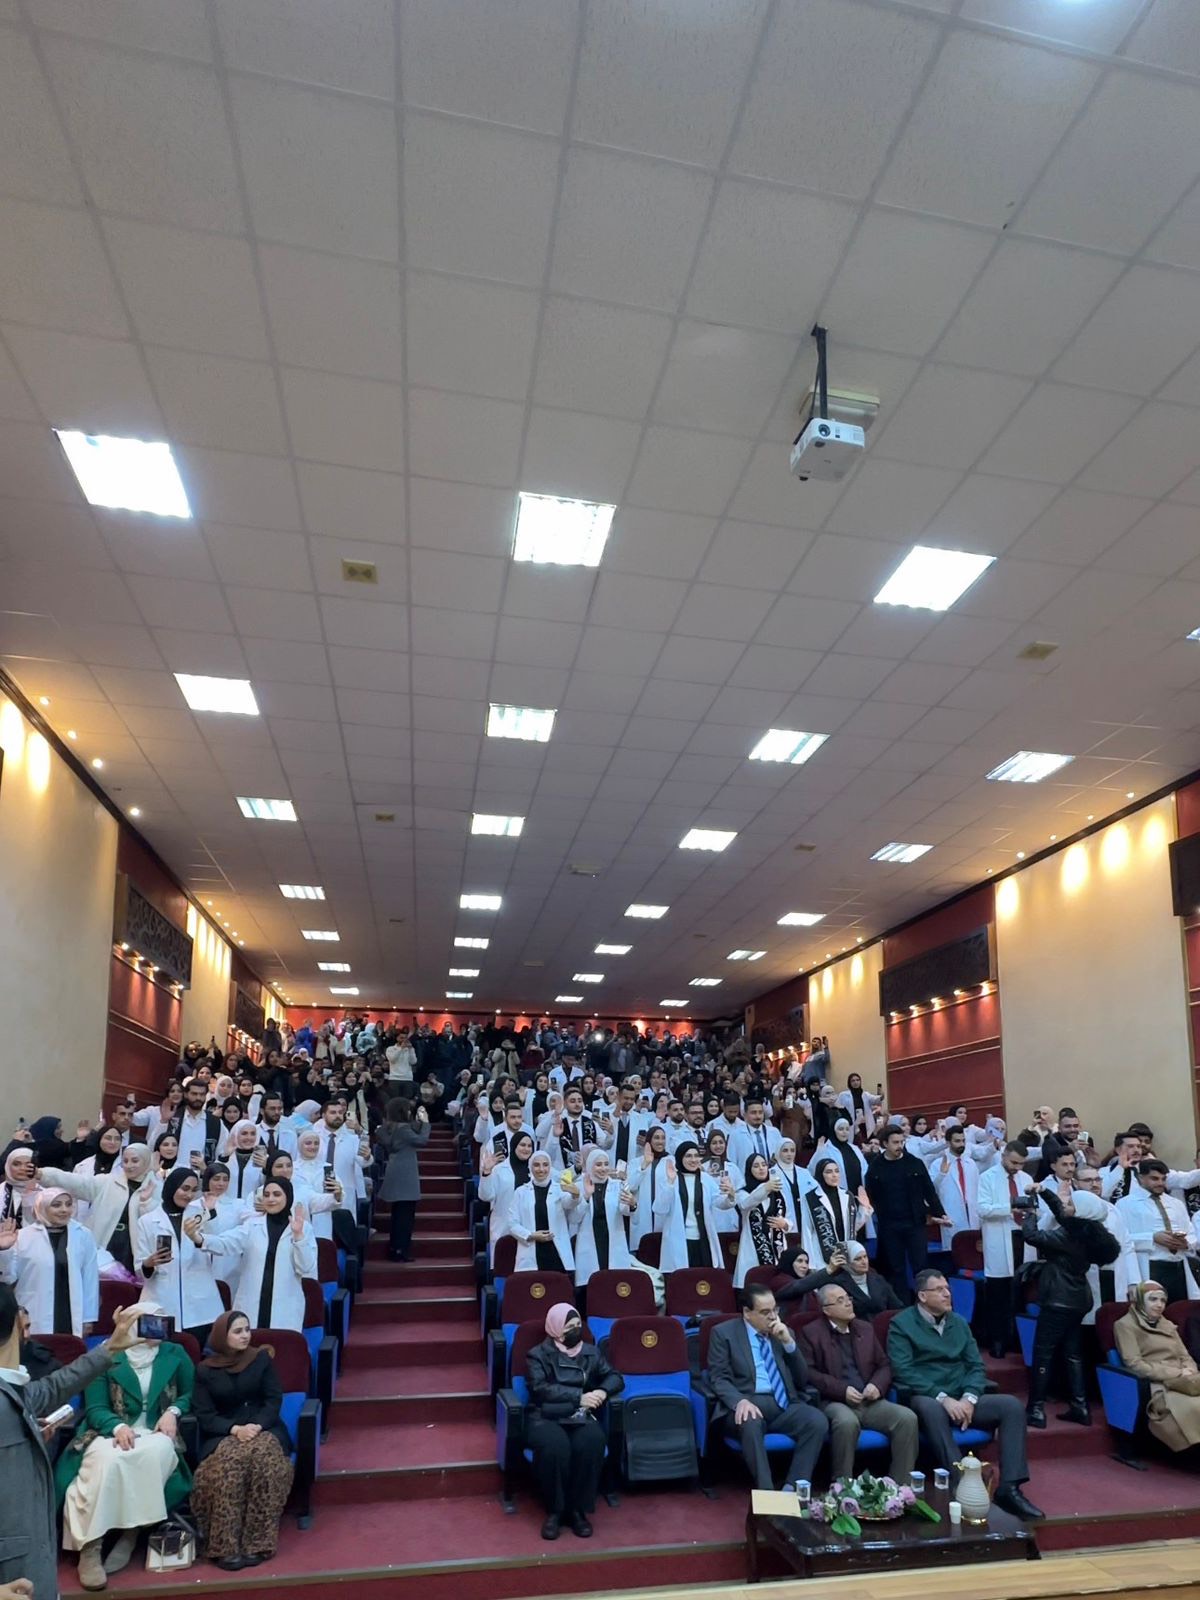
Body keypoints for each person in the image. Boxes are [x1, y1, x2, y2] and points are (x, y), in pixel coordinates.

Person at [0, 1291, 145, 1600]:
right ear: (16, 1325)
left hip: (31, 1569)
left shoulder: (10, 1388)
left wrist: (110, 1348)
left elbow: (52, 1388)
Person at [56, 1299, 194, 1589]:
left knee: (154, 1452)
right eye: (149, 1321)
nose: (158, 1327)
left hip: (155, 1431)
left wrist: (173, 1411)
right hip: (110, 1430)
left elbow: (189, 1394)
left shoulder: (175, 1353)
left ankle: (131, 1534)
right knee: (108, 1461)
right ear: (131, 1325)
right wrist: (117, 1426)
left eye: (162, 1320)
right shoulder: (106, 1354)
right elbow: (95, 1408)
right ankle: (91, 1547)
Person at [887, 1270, 1042, 1520]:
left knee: (1011, 1406)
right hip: (926, 1396)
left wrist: (969, 1398)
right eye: (939, 1290)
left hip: (961, 1396)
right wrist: (943, 1398)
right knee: (930, 1408)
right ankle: (962, 1481)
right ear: (922, 1296)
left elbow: (976, 1366)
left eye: (947, 1288)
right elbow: (903, 1370)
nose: (947, 1294)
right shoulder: (901, 1324)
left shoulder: (958, 1322)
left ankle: (1010, 1488)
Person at [190, 1310, 294, 1570]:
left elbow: (273, 1400)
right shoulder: (205, 1370)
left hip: (264, 1428)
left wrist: (256, 1425)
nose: (245, 1335)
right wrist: (235, 1429)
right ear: (221, 1336)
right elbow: (205, 1415)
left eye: (247, 1329)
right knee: (229, 1466)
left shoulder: (260, 1359)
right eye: (238, 1331)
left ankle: (257, 1543)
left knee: (264, 1462)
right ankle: (224, 1546)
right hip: (224, 1433)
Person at [707, 1281, 828, 1492]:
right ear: (747, 1313)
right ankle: (767, 1493)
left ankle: (793, 1487)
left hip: (784, 1404)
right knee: (750, 1421)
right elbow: (719, 1378)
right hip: (749, 1402)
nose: (773, 1317)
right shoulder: (723, 1333)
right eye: (765, 1312)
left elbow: (802, 1379)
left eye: (775, 1310)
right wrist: (739, 1401)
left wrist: (789, 1344)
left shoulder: (784, 1333)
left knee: (816, 1420)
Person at [798, 1283, 918, 1481]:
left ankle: (901, 1485)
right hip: (834, 1401)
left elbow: (885, 1365)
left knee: (906, 1418)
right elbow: (808, 1373)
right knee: (847, 1422)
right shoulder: (811, 1333)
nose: (848, 1303)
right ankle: (842, 1485)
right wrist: (842, 1390)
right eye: (840, 1301)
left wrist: (876, 1385)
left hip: (869, 1400)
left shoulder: (865, 1328)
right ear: (826, 1310)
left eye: (848, 1298)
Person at [1020, 1187, 1117, 1428]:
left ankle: (1036, 1409)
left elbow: (1032, 1236)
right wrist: (1044, 1192)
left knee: (1043, 1353)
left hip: (1058, 1299)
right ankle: (1080, 1406)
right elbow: (1061, 1213)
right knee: (1073, 1354)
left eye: (1071, 1204)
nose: (1066, 1206)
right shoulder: (1090, 1232)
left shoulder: (1068, 1236)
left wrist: (1029, 1213)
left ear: (1081, 1211)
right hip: (1078, 1300)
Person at [525, 1303, 623, 1541]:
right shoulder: (537, 1355)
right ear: (555, 1328)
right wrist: (578, 1396)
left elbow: (615, 1377)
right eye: (570, 1326)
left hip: (580, 1415)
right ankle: (555, 1511)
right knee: (556, 1447)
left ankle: (577, 1510)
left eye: (579, 1325)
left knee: (592, 1441)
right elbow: (539, 1389)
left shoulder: (591, 1352)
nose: (576, 1330)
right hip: (546, 1415)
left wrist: (601, 1391)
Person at [205, 1180, 317, 1333]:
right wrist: (199, 1238)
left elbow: (305, 1267)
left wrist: (298, 1237)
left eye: (277, 1194)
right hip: (250, 1304)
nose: (271, 1199)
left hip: (285, 1308)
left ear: (288, 1197)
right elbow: (225, 1243)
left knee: (281, 1345)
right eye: (266, 1195)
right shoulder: (252, 1225)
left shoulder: (304, 1228)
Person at [136, 1169, 226, 1344]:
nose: (189, 1195)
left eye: (193, 1190)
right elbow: (140, 1267)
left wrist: (211, 1213)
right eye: (184, 1188)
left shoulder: (199, 1214)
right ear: (172, 1186)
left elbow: (218, 1246)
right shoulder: (147, 1221)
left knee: (196, 1352)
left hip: (199, 1305)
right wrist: (149, 1263)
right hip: (160, 1300)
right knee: (159, 1354)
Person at [41, 1144, 159, 1276]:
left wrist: (146, 1202)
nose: (129, 1165)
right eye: (125, 1161)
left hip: (133, 1249)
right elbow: (76, 1182)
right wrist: (42, 1175)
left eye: (135, 1161)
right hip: (105, 1244)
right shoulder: (108, 1182)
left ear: (146, 1160)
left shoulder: (157, 1187)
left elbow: (157, 1224)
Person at [0, 1189, 99, 1338]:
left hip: (70, 1312)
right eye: (56, 1205)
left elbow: (90, 1279)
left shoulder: (83, 1235)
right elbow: (8, 1278)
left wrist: (88, 1317)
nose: (64, 1210)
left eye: (68, 1204)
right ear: (42, 1207)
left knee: (70, 1348)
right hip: (34, 1310)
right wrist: (4, 1250)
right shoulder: (23, 1236)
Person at [865, 1125, 949, 1300]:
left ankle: (924, 1301)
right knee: (895, 1268)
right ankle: (901, 1305)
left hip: (915, 1223)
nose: (899, 1146)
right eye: (895, 1142)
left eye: (901, 1142)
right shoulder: (875, 1168)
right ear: (885, 1144)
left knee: (921, 1265)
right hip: (890, 1225)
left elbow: (929, 1191)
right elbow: (871, 1195)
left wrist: (940, 1213)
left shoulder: (914, 1163)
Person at [1114, 1282, 1200, 1452]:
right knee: (1193, 1407)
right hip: (1155, 1383)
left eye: (1163, 1300)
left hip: (1185, 1381)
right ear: (1140, 1300)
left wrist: (1190, 1370)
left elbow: (1185, 1356)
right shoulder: (1124, 1325)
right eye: (1153, 1299)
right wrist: (1177, 1373)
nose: (1159, 1305)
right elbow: (1134, 1364)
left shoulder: (1167, 1324)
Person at [977, 1141, 1034, 1358]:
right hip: (1000, 1237)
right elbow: (983, 1209)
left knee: (1020, 1294)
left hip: (1021, 1238)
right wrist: (1010, 1208)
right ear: (1003, 1156)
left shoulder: (1026, 1179)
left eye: (1021, 1164)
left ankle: (1018, 1341)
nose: (1017, 1167)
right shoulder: (987, 1177)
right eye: (1014, 1162)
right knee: (998, 1295)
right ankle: (998, 1340)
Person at [1115, 1159, 1199, 1305]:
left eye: (1163, 1179)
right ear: (1141, 1178)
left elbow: (1191, 1233)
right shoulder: (1126, 1204)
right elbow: (1121, 1239)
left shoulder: (1175, 1203)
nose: (1160, 1183)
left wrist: (1186, 1243)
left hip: (1178, 1264)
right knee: (1152, 1309)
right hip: (1150, 1264)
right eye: (1154, 1178)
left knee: (1181, 1311)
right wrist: (1152, 1237)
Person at [563, 1150, 635, 1288]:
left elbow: (625, 1210)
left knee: (615, 1283)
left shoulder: (618, 1185)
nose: (603, 1168)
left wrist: (632, 1204)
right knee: (592, 1285)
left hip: (613, 1241)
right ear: (590, 1165)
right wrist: (585, 1197)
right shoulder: (579, 1185)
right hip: (589, 1242)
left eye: (606, 1164)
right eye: (598, 1164)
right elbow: (574, 1218)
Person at [656, 1141, 730, 1272]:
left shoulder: (706, 1179)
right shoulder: (671, 1179)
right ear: (680, 1158)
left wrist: (730, 1196)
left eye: (696, 1156)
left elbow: (719, 1202)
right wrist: (670, 1183)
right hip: (679, 1240)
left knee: (704, 1279)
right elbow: (659, 1209)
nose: (693, 1160)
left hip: (703, 1239)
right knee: (683, 1278)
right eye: (688, 1156)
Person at [374, 1099, 431, 1262]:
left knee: (398, 1214)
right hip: (406, 1173)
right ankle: (401, 1250)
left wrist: (419, 1122)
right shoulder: (403, 1129)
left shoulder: (388, 1128)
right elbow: (421, 1140)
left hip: (395, 1170)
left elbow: (412, 1131)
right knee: (405, 1217)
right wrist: (426, 1123)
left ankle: (395, 1248)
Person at [510, 1151, 576, 1272]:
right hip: (530, 1252)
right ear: (530, 1167)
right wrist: (531, 1235)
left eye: (545, 1165)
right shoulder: (520, 1192)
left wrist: (576, 1196)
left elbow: (569, 1203)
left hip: (556, 1254)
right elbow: (512, 1224)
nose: (541, 1169)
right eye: (536, 1165)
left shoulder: (560, 1189)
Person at [734, 1154, 789, 1287]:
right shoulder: (743, 1193)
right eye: (756, 1166)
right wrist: (765, 1188)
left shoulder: (778, 1192)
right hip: (753, 1249)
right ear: (749, 1170)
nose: (761, 1168)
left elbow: (788, 1217)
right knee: (755, 1285)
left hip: (777, 1245)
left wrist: (786, 1224)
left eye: (764, 1165)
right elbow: (745, 1204)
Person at [802, 1158, 859, 1270]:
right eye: (829, 1172)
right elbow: (806, 1230)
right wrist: (810, 1264)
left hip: (846, 1254)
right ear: (820, 1175)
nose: (834, 1175)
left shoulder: (847, 1195)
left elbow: (853, 1226)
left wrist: (865, 1210)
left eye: (837, 1171)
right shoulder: (811, 1198)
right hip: (820, 1255)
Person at [932, 1124, 980, 1248]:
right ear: (948, 1142)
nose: (961, 1144)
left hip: (972, 1216)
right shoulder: (937, 1164)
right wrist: (942, 1174)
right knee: (955, 1252)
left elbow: (978, 1191)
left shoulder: (971, 1163)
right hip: (951, 1216)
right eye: (957, 1141)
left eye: (963, 1141)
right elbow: (932, 1191)